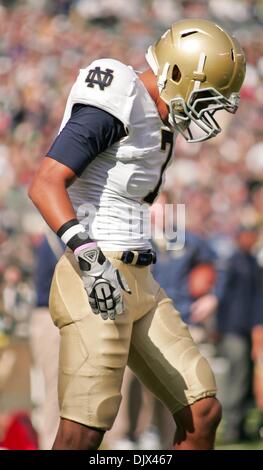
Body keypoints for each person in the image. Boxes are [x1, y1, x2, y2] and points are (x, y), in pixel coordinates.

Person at [28, 19, 245, 450]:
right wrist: (89, 258)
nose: (206, 113)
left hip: (141, 280)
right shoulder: (120, 93)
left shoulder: (157, 116)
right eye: (205, 99)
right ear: (177, 73)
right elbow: (46, 182)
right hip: (95, 273)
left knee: (202, 410)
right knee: (83, 432)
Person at [29, 232, 64, 449]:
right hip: (50, 317)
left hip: (61, 317)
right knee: (54, 389)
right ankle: (49, 442)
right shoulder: (54, 239)